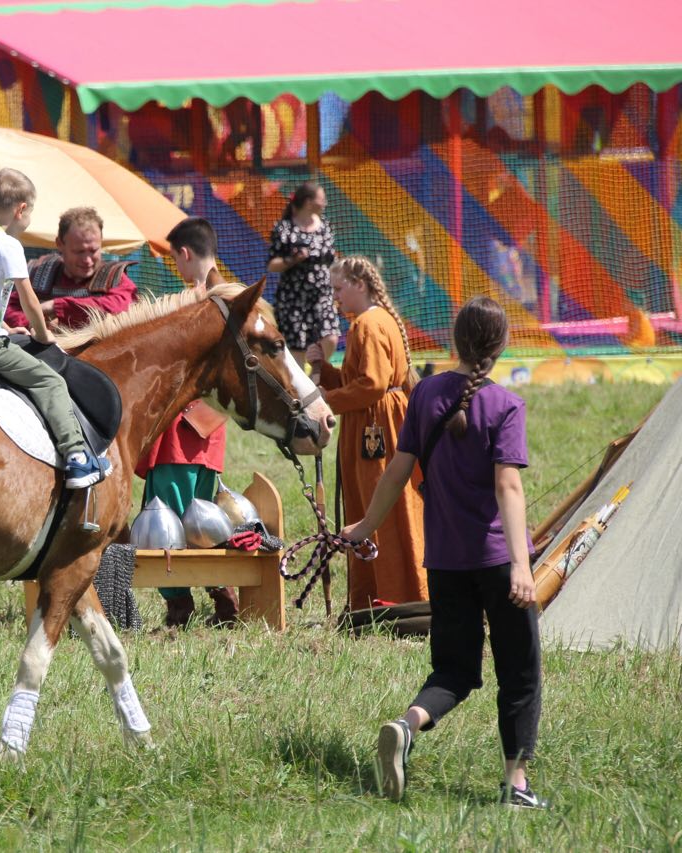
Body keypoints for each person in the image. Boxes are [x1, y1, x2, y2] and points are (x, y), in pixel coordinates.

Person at [341, 296, 545, 809]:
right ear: (501, 346)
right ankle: (516, 786)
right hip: (498, 563)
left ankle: (407, 725)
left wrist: (365, 526)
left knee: (453, 671)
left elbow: (396, 470)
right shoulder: (505, 405)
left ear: (454, 341)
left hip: (445, 564)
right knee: (519, 673)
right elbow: (508, 488)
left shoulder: (426, 394)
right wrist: (522, 566)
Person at [0, 167, 107, 489]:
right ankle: (76, 457)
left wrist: (4, 327)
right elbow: (28, 299)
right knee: (50, 381)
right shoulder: (8, 244)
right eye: (30, 213)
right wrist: (43, 335)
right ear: (21, 210)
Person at [307, 257, 426, 611]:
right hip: (379, 420)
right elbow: (359, 379)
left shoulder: (367, 324)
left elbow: (372, 384)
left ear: (360, 285)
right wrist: (324, 370)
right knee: (384, 504)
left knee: (379, 506)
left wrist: (327, 401)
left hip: (376, 428)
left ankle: (389, 596)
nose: (335, 297)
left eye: (339, 289)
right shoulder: (373, 321)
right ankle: (388, 593)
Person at [135, 217, 237, 627]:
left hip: (183, 432)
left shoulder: (202, 303)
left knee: (167, 518)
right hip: (207, 429)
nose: (176, 267)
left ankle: (189, 604)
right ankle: (218, 599)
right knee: (201, 516)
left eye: (175, 260)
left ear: (184, 253)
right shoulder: (230, 297)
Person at [2, 206, 137, 332]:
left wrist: (56, 306)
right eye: (79, 251)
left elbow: (122, 306)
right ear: (59, 244)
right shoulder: (40, 272)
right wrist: (39, 324)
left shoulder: (114, 277)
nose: (87, 260)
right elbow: (7, 309)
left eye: (93, 250)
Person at [267, 181, 337, 372]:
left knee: (330, 337)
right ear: (308, 202)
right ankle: (300, 385)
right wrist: (293, 260)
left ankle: (318, 372)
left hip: (322, 295)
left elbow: (331, 260)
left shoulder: (324, 227)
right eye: (322, 199)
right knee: (297, 350)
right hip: (293, 299)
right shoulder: (285, 229)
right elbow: (272, 265)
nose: (325, 204)